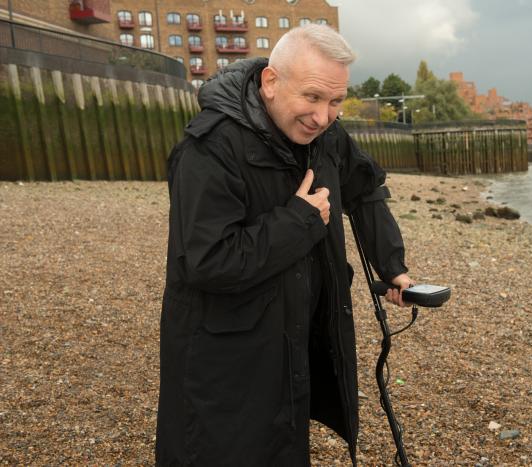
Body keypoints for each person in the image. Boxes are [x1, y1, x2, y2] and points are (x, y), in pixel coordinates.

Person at [155, 24, 413, 466]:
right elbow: (208, 261)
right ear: (270, 83)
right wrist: (300, 220)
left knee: (286, 446)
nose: (323, 116)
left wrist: (392, 264)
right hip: (224, 359)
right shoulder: (210, 148)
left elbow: (365, 188)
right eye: (312, 97)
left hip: (291, 341)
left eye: (335, 102)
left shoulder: (325, 136)